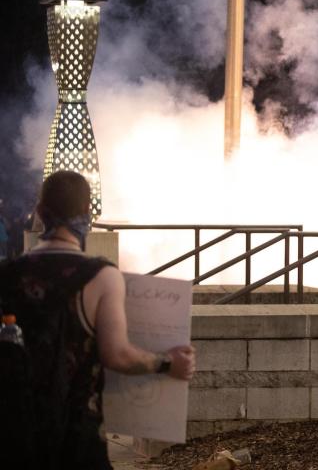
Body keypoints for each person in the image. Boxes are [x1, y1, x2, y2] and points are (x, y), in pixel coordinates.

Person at [0, 171, 196, 469]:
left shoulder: (9, 274)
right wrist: (167, 363)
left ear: (39, 214)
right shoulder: (101, 276)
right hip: (76, 435)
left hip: (15, 432)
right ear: (88, 214)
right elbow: (116, 354)